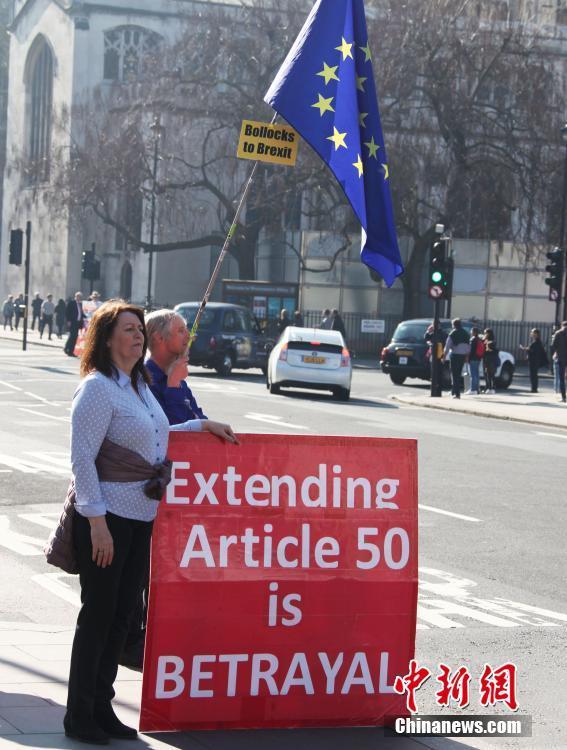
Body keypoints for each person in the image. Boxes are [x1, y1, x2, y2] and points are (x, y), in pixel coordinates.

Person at [65, 299, 238, 744]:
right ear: (106, 338)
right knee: (98, 617)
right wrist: (96, 522)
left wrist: (202, 426)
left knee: (122, 618)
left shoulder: (139, 385)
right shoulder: (98, 388)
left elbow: (159, 439)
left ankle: (102, 708)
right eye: (127, 328)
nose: (137, 335)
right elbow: (83, 459)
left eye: (140, 328)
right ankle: (79, 715)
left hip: (142, 514)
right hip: (108, 518)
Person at [118, 308, 236, 669]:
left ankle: (157, 633)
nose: (188, 337)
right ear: (159, 339)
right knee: (142, 572)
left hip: (185, 496)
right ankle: (133, 640)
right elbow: (165, 433)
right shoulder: (147, 378)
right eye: (181, 331)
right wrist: (170, 386)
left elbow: (198, 424)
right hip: (151, 493)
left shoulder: (178, 379)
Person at [443, 318, 470, 399]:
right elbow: (469, 347)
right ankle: (454, 391)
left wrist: (444, 356)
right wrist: (467, 356)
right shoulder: (466, 333)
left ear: (454, 325)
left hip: (454, 355)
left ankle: (456, 393)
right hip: (462, 356)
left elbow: (447, 347)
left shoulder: (452, 334)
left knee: (454, 375)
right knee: (458, 374)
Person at [520, 328, 548, 393]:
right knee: (533, 375)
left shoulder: (537, 342)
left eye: (532, 332)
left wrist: (524, 348)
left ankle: (534, 389)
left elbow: (532, 350)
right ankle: (534, 388)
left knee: (533, 375)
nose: (531, 333)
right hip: (534, 360)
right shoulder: (536, 341)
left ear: (536, 334)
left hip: (534, 361)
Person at [551, 320, 567, 403]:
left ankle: (564, 397)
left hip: (561, 358)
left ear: (562, 325)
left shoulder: (558, 333)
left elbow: (553, 345)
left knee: (561, 379)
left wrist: (557, 352)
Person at [64, 292, 85, 356]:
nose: (79, 298)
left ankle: (68, 349)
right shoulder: (71, 303)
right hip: (72, 322)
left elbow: (82, 314)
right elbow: (67, 312)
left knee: (74, 336)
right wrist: (68, 321)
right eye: (78, 296)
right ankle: (69, 350)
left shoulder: (81, 304)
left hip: (78, 322)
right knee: (72, 336)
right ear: (75, 296)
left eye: (80, 297)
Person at [466, 326, 484, 395]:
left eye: (471, 331)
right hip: (478, 358)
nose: (470, 332)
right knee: (476, 374)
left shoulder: (473, 339)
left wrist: (468, 358)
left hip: (473, 358)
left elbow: (471, 350)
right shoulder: (479, 339)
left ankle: (473, 389)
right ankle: (477, 389)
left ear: (474, 332)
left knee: (473, 374)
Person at [482, 328, 499, 394]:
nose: (484, 334)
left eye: (485, 333)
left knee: (490, 374)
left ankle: (491, 388)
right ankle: (487, 387)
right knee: (486, 374)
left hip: (491, 359)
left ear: (489, 333)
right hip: (485, 358)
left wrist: (488, 347)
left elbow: (494, 348)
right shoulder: (485, 340)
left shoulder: (492, 341)